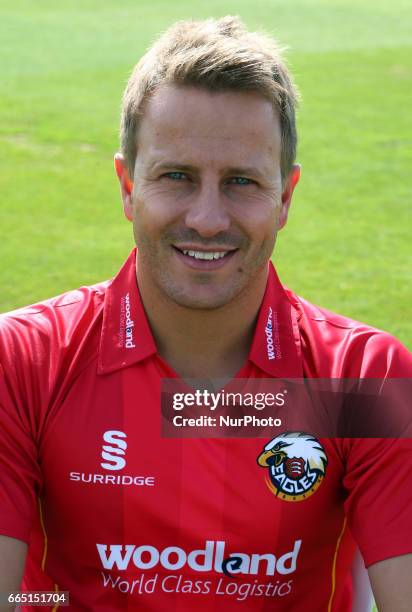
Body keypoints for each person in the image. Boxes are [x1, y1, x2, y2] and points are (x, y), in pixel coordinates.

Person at [0, 15, 411, 611]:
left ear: (286, 198)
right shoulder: (23, 361)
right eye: (177, 177)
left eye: (242, 181)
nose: (208, 219)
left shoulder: (363, 379)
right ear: (126, 185)